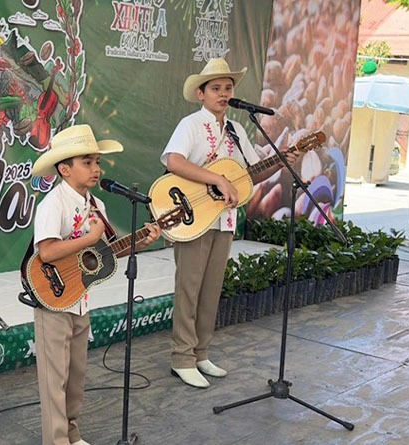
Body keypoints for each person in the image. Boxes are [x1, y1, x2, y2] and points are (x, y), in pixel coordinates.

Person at [161, 58, 297, 389]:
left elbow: (250, 173)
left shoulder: (235, 130)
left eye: (228, 88)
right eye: (216, 88)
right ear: (201, 93)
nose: (223, 94)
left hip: (223, 218)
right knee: (189, 289)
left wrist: (280, 162)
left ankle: (201, 352)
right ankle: (181, 357)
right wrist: (217, 180)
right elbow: (174, 160)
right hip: (194, 216)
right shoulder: (191, 124)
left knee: (211, 289)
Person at [30, 124, 161, 445]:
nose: (96, 169)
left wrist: (141, 242)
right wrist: (89, 238)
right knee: (54, 378)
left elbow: (107, 250)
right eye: (87, 162)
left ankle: (72, 433)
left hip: (80, 298)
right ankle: (56, 440)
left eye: (97, 162)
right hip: (53, 298)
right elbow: (46, 252)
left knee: (76, 376)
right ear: (64, 169)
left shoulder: (97, 207)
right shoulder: (53, 204)